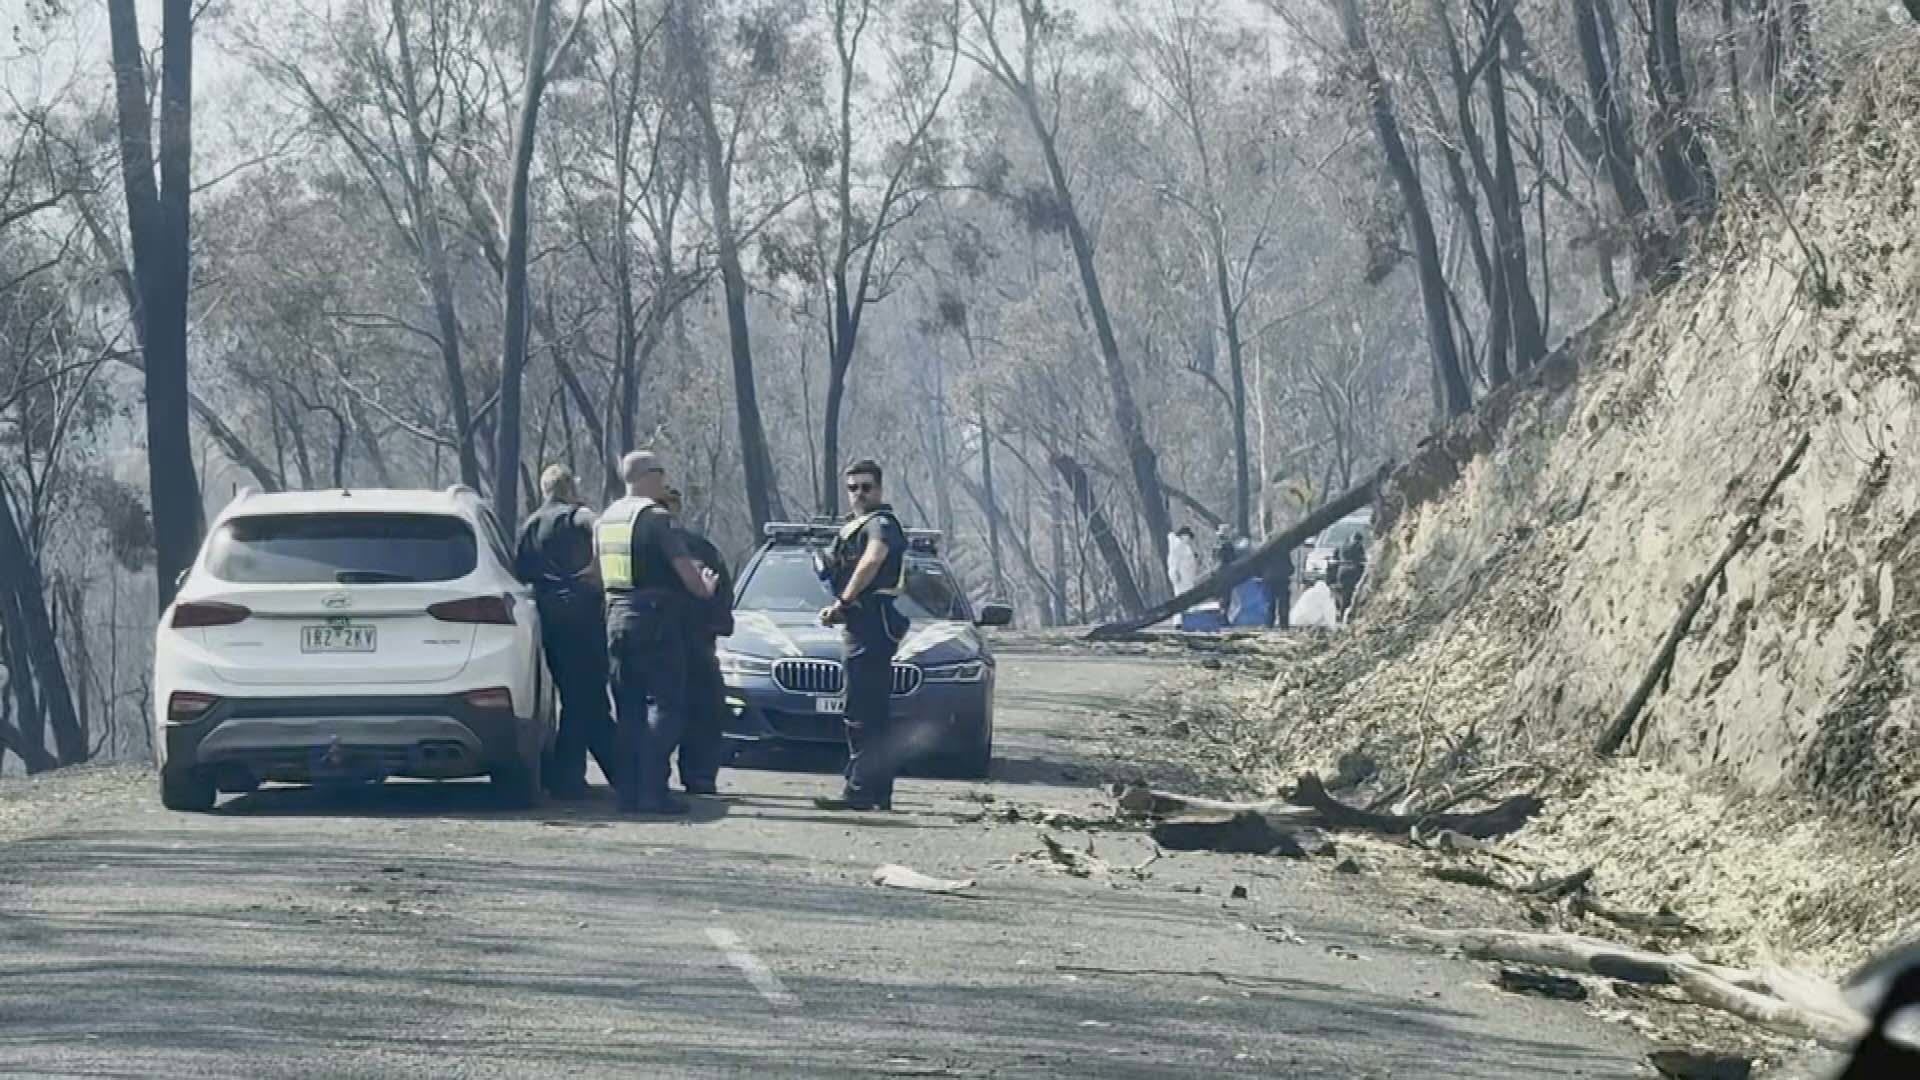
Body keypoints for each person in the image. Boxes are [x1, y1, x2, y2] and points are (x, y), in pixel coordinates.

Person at [594, 450, 718, 815]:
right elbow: (688, 575)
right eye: (661, 472)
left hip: (615, 617)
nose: (664, 480)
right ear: (648, 475)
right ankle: (653, 791)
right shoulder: (655, 518)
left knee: (628, 708)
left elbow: (594, 571)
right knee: (666, 706)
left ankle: (628, 792)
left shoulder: (606, 519)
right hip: (656, 620)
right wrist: (705, 588)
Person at [514, 465, 618, 799]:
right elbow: (600, 525)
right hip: (581, 614)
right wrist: (596, 567)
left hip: (547, 615)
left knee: (576, 698)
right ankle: (574, 776)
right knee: (584, 695)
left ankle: (575, 774)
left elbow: (520, 570)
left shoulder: (530, 524)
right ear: (570, 486)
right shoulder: (576, 515)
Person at [813, 459, 910, 812]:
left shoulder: (881, 524)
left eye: (866, 487)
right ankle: (878, 792)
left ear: (880, 489)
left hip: (871, 620)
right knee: (872, 711)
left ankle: (859, 791)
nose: (859, 494)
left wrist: (843, 601)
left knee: (861, 710)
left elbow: (873, 559)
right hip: (862, 621)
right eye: (853, 488)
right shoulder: (854, 526)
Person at [661, 485, 734, 797]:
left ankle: (659, 777)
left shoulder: (698, 548)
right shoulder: (695, 547)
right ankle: (698, 775)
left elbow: (721, 589)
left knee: (676, 709)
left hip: (671, 639)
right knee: (697, 710)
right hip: (686, 639)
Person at [1333, 531, 1367, 621]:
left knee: (1344, 594)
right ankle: (1347, 614)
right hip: (1353, 573)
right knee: (1350, 595)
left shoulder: (1342, 546)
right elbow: (1362, 559)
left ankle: (1341, 612)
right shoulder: (1358, 546)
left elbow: (1335, 558)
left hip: (1342, 572)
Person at [1166, 526, 1204, 597]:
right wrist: (1175, 574)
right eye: (1188, 536)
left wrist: (1194, 558)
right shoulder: (1177, 546)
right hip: (1181, 577)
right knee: (1182, 594)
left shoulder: (1185, 547)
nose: (1189, 539)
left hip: (1188, 577)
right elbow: (1173, 562)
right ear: (1183, 535)